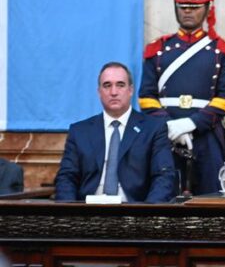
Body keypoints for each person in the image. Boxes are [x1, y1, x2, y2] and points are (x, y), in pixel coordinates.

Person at [139, 0, 225, 195]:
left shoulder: (222, 50)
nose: (188, 12)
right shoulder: (157, 49)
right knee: (162, 197)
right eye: (183, 7)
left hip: (207, 135)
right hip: (165, 135)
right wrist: (171, 126)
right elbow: (146, 97)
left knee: (211, 200)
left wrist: (191, 124)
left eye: (194, 7)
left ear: (207, 8)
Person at [55, 62, 176, 202]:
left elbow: (164, 176)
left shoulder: (154, 128)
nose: (113, 92)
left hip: (135, 210)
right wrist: (69, 210)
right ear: (99, 92)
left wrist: (148, 212)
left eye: (120, 85)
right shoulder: (80, 131)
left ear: (131, 90)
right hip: (88, 209)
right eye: (107, 85)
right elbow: (66, 178)